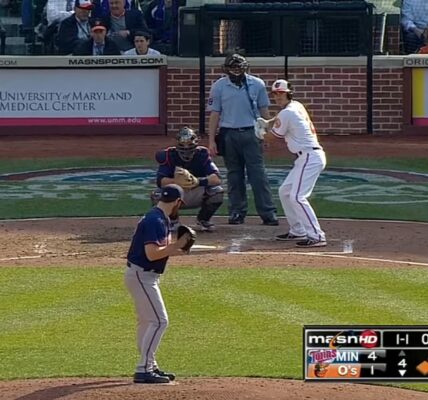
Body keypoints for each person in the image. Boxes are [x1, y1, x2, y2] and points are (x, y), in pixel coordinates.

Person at [125, 184, 190, 384]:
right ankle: (144, 369)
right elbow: (152, 254)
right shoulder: (156, 220)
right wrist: (176, 246)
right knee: (159, 321)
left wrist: (178, 249)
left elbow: (159, 251)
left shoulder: (157, 216)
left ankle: (149, 365)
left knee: (147, 322)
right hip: (142, 275)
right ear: (178, 202)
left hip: (141, 275)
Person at [207, 53, 278, 226]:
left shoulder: (257, 84)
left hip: (251, 132)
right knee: (234, 175)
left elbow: (264, 111)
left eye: (238, 68)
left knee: (258, 174)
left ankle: (268, 212)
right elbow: (215, 114)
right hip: (228, 133)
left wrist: (266, 133)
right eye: (232, 68)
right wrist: (211, 140)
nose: (236, 71)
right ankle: (236, 212)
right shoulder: (219, 86)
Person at [257, 79, 327, 248]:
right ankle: (298, 230)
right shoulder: (296, 106)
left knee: (297, 196)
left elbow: (272, 138)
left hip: (310, 156)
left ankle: (317, 235)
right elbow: (281, 117)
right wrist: (268, 122)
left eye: (281, 93)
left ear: (289, 93)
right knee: (285, 191)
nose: (278, 96)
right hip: (307, 156)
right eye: (275, 94)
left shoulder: (287, 112)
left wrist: (259, 132)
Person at [154, 126, 224, 232]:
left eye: (189, 146)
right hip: (177, 193)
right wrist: (177, 182)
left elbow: (217, 178)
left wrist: (197, 181)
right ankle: (173, 221)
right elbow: (160, 181)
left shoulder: (203, 154)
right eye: (183, 146)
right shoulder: (168, 155)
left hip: (197, 191)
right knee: (157, 195)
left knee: (217, 192)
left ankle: (204, 219)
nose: (186, 149)